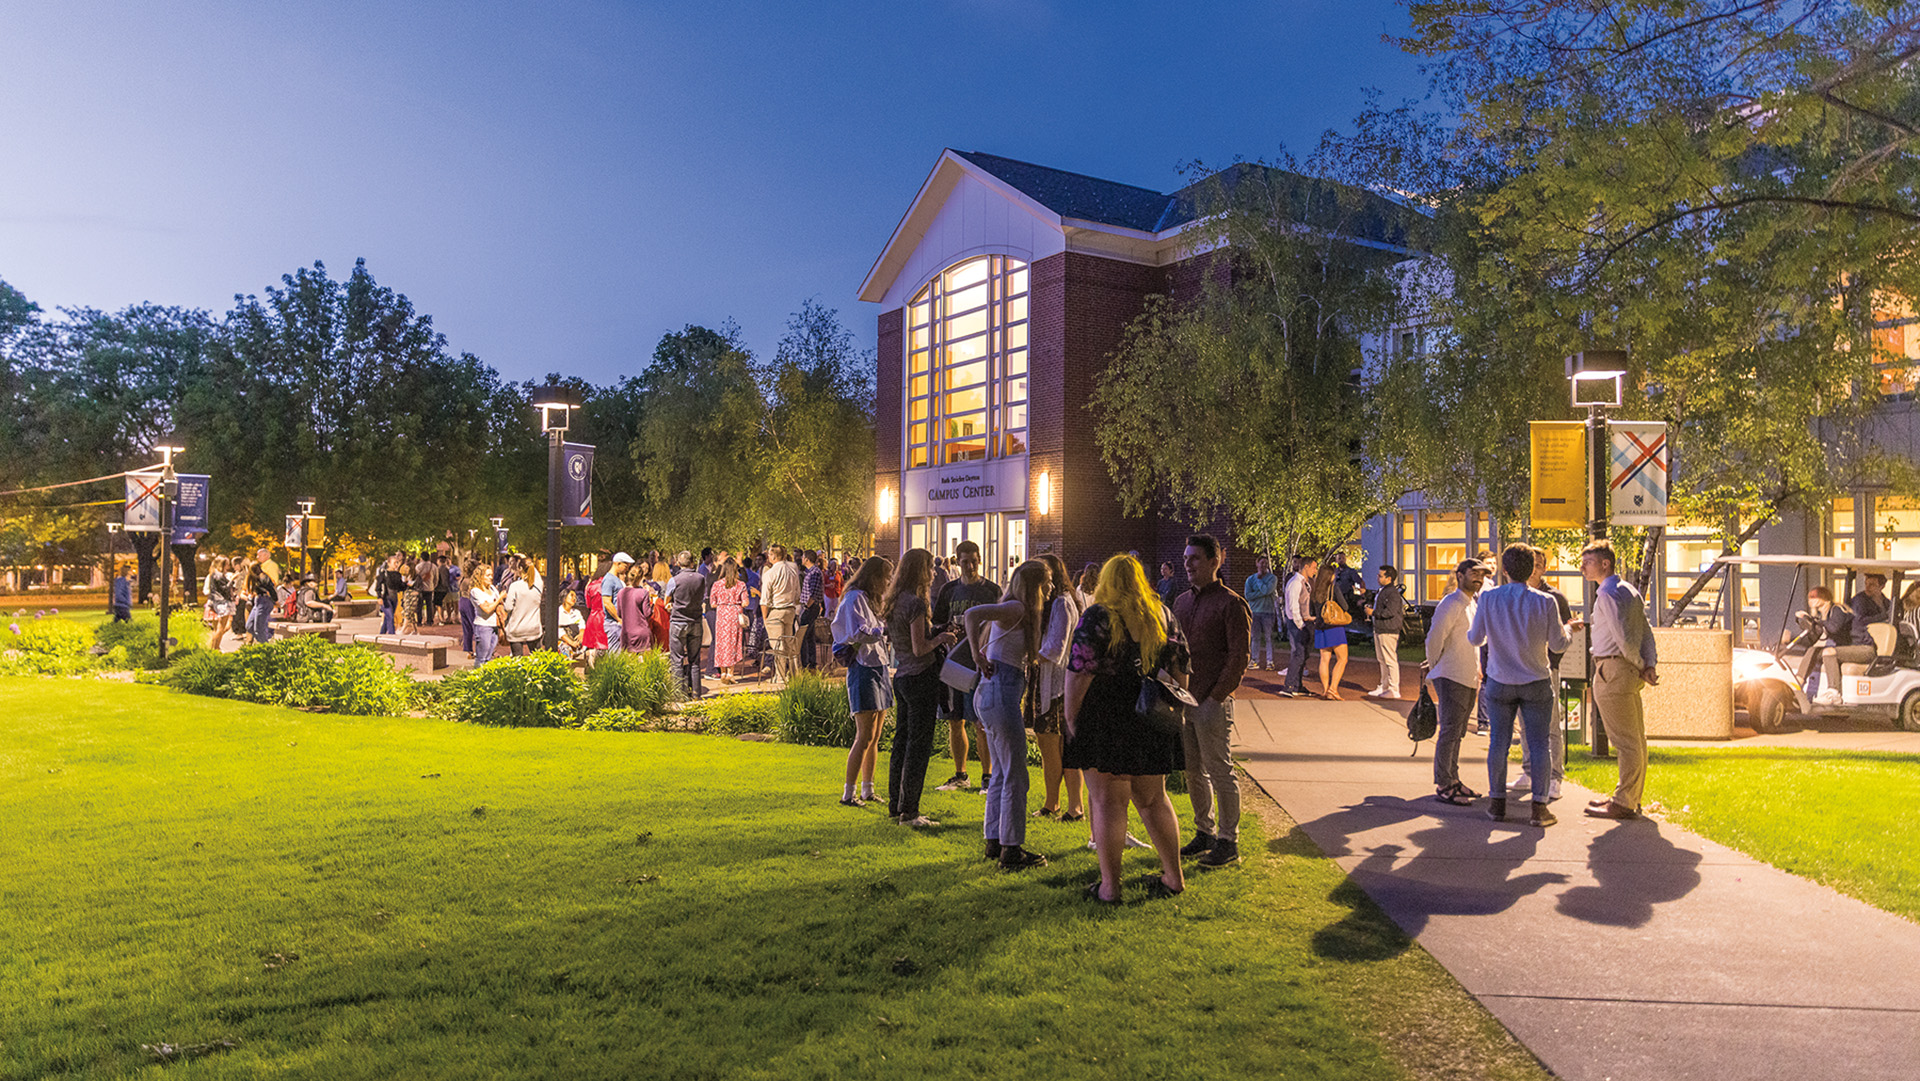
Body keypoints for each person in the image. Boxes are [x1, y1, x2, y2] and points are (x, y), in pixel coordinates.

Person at [1063, 555, 1192, 902]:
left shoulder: (1099, 616)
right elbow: (1181, 667)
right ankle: (1174, 878)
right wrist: (1173, 710)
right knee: (1154, 800)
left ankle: (1110, 887)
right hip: (1149, 715)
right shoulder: (1162, 614)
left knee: (1108, 803)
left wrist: (1072, 718)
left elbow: (1080, 671)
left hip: (1105, 715)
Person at [1466, 544, 1570, 827]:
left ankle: (1497, 804)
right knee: (1539, 744)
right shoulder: (1545, 602)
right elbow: (1559, 643)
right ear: (1531, 569)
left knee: (1497, 743)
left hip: (1500, 680)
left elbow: (1475, 639)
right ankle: (1539, 807)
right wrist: (1570, 629)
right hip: (1536, 680)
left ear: (1505, 570)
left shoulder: (1489, 599)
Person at [964, 559, 1051, 870]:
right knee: (1016, 774)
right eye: (1046, 583)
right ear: (1034, 586)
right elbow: (972, 613)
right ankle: (1012, 849)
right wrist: (976, 653)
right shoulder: (1016, 608)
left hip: (992, 692)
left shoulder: (1016, 610)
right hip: (1001, 690)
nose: (1050, 589)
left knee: (1001, 772)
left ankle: (995, 840)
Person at [1172, 534, 1252, 868]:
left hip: (1211, 703)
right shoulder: (1180, 602)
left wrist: (1216, 698)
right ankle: (1204, 830)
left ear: (1214, 562)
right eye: (1186, 557)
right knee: (1193, 771)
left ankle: (1228, 840)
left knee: (1220, 771)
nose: (1188, 564)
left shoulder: (1231, 604)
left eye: (1195, 559)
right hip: (1183, 699)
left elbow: (1239, 658)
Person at [1582, 541, 1659, 820]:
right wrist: (1648, 663)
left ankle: (1624, 801)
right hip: (1624, 671)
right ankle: (1629, 797)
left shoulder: (1608, 595)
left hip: (1614, 670)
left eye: (1588, 562)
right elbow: (1645, 631)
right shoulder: (1630, 590)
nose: (1582, 567)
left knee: (1626, 742)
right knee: (1637, 739)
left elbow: (1624, 638)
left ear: (1605, 564)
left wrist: (1639, 664)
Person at [884, 548, 959, 827]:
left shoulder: (895, 601)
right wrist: (943, 637)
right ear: (919, 570)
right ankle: (911, 811)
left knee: (901, 743)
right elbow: (920, 648)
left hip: (902, 676)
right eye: (929, 567)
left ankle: (896, 804)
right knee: (918, 745)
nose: (933, 573)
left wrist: (934, 629)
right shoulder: (915, 604)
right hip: (920, 676)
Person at [932, 539, 1000, 792]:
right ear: (957, 562)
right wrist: (946, 630)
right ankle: (960, 774)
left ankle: (988, 777)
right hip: (955, 661)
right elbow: (937, 622)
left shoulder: (991, 591)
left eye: (974, 561)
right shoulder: (949, 591)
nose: (970, 566)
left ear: (980, 560)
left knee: (980, 721)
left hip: (981, 663)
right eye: (965, 562)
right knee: (955, 719)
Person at [1424, 558, 1487, 806]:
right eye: (1473, 573)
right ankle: (1444, 784)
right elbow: (1434, 638)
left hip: (1468, 676)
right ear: (1459, 575)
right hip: (1451, 676)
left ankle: (1454, 779)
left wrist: (1478, 668)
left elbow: (1473, 641)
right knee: (1450, 731)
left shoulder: (1472, 604)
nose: (1478, 578)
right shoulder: (1450, 603)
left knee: (1458, 732)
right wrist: (1435, 666)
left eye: (1481, 574)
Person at [834, 556, 896, 806]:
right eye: (886, 577)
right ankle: (848, 793)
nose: (888, 582)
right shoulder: (854, 598)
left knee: (876, 734)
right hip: (863, 667)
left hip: (878, 664)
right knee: (864, 734)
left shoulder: (871, 600)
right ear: (874, 577)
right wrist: (882, 630)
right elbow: (854, 633)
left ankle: (868, 788)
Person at [1512, 547, 1571, 800]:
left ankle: (1555, 775)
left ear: (1544, 568)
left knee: (1550, 725)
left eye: (1537, 565)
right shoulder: (1516, 594)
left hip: (1546, 670)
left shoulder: (1554, 598)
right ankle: (1529, 771)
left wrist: (1552, 661)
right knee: (1525, 725)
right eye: (1529, 565)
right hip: (1520, 668)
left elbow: (1564, 634)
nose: (1533, 569)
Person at [1031, 553, 1085, 822]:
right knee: (1052, 745)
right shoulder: (1053, 604)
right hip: (1051, 684)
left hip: (1058, 686)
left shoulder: (1062, 603)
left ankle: (1068, 805)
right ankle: (1057, 803)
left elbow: (1056, 648)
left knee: (1056, 746)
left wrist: (1028, 654)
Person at [1788, 585, 1873, 704]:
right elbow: (1813, 639)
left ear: (1825, 598)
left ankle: (1834, 693)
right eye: (1810, 597)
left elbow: (1834, 628)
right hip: (1847, 649)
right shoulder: (1823, 616)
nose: (1811, 599)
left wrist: (1814, 619)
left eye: (1815, 596)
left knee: (1829, 651)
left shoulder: (1838, 609)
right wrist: (1791, 637)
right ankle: (1797, 684)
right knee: (1814, 650)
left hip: (1864, 649)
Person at [667, 552, 708, 697]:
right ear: (692, 562)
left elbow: (667, 600)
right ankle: (696, 693)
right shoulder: (701, 578)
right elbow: (703, 595)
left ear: (678, 563)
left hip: (678, 621)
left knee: (677, 659)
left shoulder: (674, 580)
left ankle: (678, 694)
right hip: (695, 621)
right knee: (695, 660)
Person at [1310, 562, 1353, 699]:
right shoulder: (1333, 588)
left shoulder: (1315, 590)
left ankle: (1325, 690)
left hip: (1320, 628)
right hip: (1334, 627)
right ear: (1330, 575)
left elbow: (1313, 610)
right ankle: (1333, 689)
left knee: (1324, 659)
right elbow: (1344, 606)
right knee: (1342, 658)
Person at [1365, 565, 1405, 698]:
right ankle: (1384, 686)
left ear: (1388, 578)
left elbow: (1390, 612)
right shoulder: (1383, 590)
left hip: (1388, 629)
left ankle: (1393, 689)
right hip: (1381, 628)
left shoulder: (1392, 593)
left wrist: (1373, 613)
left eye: (1380, 575)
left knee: (1389, 660)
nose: (1378, 577)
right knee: (1382, 659)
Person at [762, 545, 801, 680]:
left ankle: (780, 676)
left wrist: (765, 618)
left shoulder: (770, 573)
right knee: (788, 644)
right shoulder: (793, 570)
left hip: (776, 610)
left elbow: (764, 600)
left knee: (777, 646)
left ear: (773, 556)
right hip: (790, 610)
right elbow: (798, 594)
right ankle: (793, 674)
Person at [1281, 555, 1317, 698]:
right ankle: (1288, 686)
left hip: (1303, 622)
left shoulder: (1304, 582)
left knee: (1303, 655)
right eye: (1313, 567)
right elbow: (1292, 606)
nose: (1315, 570)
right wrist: (1300, 624)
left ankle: (1297, 685)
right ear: (1306, 567)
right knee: (1299, 654)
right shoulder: (1296, 583)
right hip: (1297, 623)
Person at [712, 558, 749, 682]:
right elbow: (745, 602)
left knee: (721, 643)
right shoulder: (741, 585)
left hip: (722, 614)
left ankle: (722, 672)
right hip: (734, 614)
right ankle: (730, 674)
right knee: (733, 642)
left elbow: (712, 603)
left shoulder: (716, 585)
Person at [501, 558, 544, 656]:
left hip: (517, 628)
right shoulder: (538, 585)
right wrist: (525, 558)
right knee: (537, 659)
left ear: (520, 568)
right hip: (534, 628)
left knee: (517, 659)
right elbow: (535, 573)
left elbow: (508, 607)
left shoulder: (515, 586)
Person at [1243, 555, 1279, 670]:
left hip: (1268, 612)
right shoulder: (1250, 579)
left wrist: (1259, 583)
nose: (1264, 565)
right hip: (1254, 612)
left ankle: (1270, 661)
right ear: (1257, 564)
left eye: (1266, 563)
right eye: (1262, 563)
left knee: (1269, 637)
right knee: (1255, 637)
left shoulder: (1272, 578)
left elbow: (1267, 590)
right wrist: (1262, 593)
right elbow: (1248, 595)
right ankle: (1254, 660)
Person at [795, 550, 825, 671]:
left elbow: (812, 593)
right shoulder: (813, 572)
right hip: (812, 606)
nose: (801, 559)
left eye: (803, 557)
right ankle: (811, 662)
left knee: (803, 635)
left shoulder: (814, 573)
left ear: (807, 559)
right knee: (810, 636)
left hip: (811, 607)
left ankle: (805, 663)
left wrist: (807, 606)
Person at [468, 562, 502, 665]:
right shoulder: (476, 591)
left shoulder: (492, 589)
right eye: (488, 575)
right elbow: (486, 610)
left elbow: (496, 605)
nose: (491, 577)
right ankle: (477, 678)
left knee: (489, 656)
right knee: (481, 657)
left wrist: (493, 603)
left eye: (491, 575)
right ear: (480, 576)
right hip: (483, 626)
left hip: (494, 625)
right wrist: (498, 599)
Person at [600, 552, 633, 654]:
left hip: (617, 623)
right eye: (625, 566)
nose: (627, 569)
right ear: (617, 563)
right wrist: (619, 619)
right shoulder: (609, 580)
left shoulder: (615, 579)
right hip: (614, 623)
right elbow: (607, 602)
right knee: (615, 656)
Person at [618, 563, 653, 652]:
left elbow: (619, 613)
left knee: (629, 663)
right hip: (642, 632)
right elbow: (647, 613)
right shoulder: (643, 593)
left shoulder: (621, 593)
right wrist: (653, 605)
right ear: (641, 578)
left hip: (627, 633)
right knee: (646, 663)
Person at [249, 547, 281, 643]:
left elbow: (272, 584)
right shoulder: (261, 568)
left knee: (260, 627)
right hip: (259, 599)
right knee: (251, 626)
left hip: (265, 599)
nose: (257, 557)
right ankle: (264, 642)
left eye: (260, 555)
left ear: (267, 555)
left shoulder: (270, 566)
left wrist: (274, 600)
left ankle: (265, 646)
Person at [204, 555, 235, 650]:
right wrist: (233, 580)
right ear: (222, 564)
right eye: (227, 564)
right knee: (221, 627)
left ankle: (213, 647)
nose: (229, 566)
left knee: (217, 628)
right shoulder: (219, 575)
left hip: (215, 601)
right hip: (222, 602)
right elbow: (224, 589)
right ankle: (216, 648)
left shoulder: (213, 574)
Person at [557, 589, 585, 660]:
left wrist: (581, 634)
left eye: (575, 597)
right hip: (564, 640)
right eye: (571, 595)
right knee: (565, 649)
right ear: (564, 597)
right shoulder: (558, 612)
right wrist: (571, 642)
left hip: (576, 639)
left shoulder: (576, 612)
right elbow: (560, 632)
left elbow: (582, 624)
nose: (574, 598)